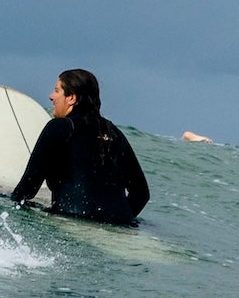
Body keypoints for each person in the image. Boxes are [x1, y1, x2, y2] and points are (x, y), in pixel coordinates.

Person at [9, 68, 150, 224]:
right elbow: (141, 193)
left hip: (72, 222)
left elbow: (28, 188)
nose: (51, 96)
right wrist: (119, 221)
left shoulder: (59, 127)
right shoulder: (115, 133)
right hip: (120, 225)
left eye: (57, 90)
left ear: (71, 98)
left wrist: (4, 200)